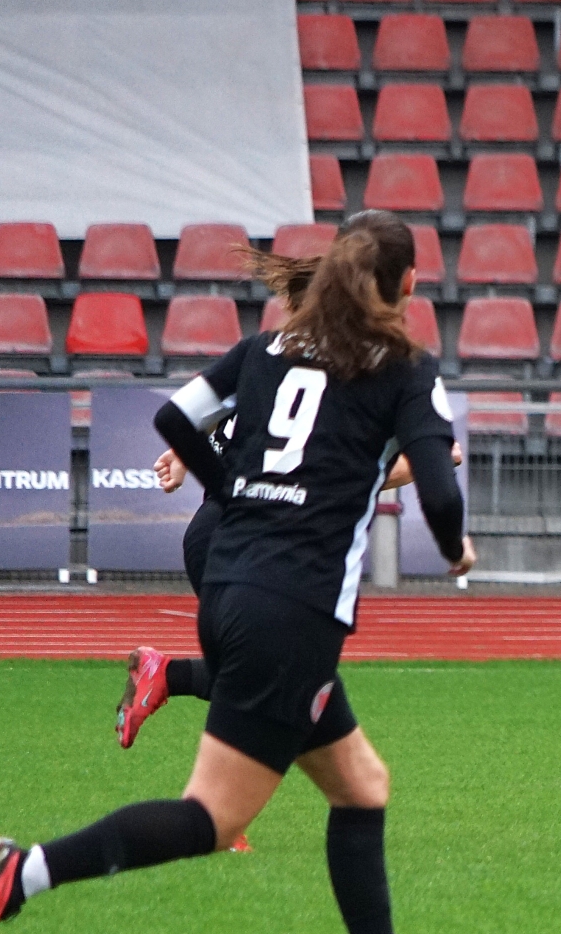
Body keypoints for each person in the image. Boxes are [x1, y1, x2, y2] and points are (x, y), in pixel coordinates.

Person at [0, 213, 481, 934]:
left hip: (233, 588)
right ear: (409, 283)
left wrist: (230, 487)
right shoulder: (405, 367)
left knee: (361, 785)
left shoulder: (265, 349)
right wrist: (456, 553)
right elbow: (442, 492)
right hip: (294, 614)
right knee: (212, 819)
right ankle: (24, 872)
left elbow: (174, 417)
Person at [118, 249, 461, 752]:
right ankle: (184, 716)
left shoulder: (271, 363)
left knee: (284, 685)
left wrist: (189, 458)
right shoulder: (338, 382)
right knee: (278, 686)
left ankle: (167, 679)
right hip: (250, 544)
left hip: (234, 536)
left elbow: (202, 419)